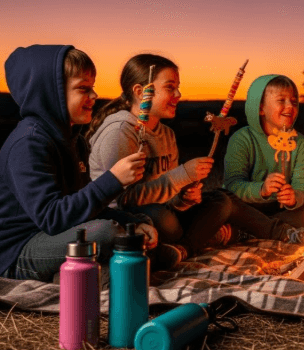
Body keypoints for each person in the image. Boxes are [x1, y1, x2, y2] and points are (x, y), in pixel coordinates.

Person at [0, 45, 150, 282]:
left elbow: (85, 205)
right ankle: (82, 273)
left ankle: (72, 275)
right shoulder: (28, 144)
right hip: (17, 249)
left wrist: (133, 223)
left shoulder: (75, 141)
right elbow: (52, 218)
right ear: (52, 95)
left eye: (92, 87)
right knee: (106, 233)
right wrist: (112, 180)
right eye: (83, 89)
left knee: (141, 230)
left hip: (56, 236)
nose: (94, 96)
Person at [87, 54, 232, 264]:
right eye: (170, 87)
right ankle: (200, 237)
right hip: (127, 218)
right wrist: (181, 175)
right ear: (140, 92)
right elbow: (123, 200)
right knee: (164, 220)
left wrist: (183, 199)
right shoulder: (120, 132)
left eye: (178, 87)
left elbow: (168, 198)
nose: (178, 94)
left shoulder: (166, 134)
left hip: (163, 212)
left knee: (222, 200)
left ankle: (182, 247)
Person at [223, 75, 304, 230]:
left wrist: (294, 197)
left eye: (294, 102)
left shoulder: (300, 143)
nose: (290, 106)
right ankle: (271, 227)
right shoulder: (242, 139)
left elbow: (303, 183)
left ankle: (256, 229)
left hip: (282, 209)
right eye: (281, 100)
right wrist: (261, 189)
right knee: (225, 203)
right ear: (260, 108)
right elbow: (233, 185)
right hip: (248, 206)